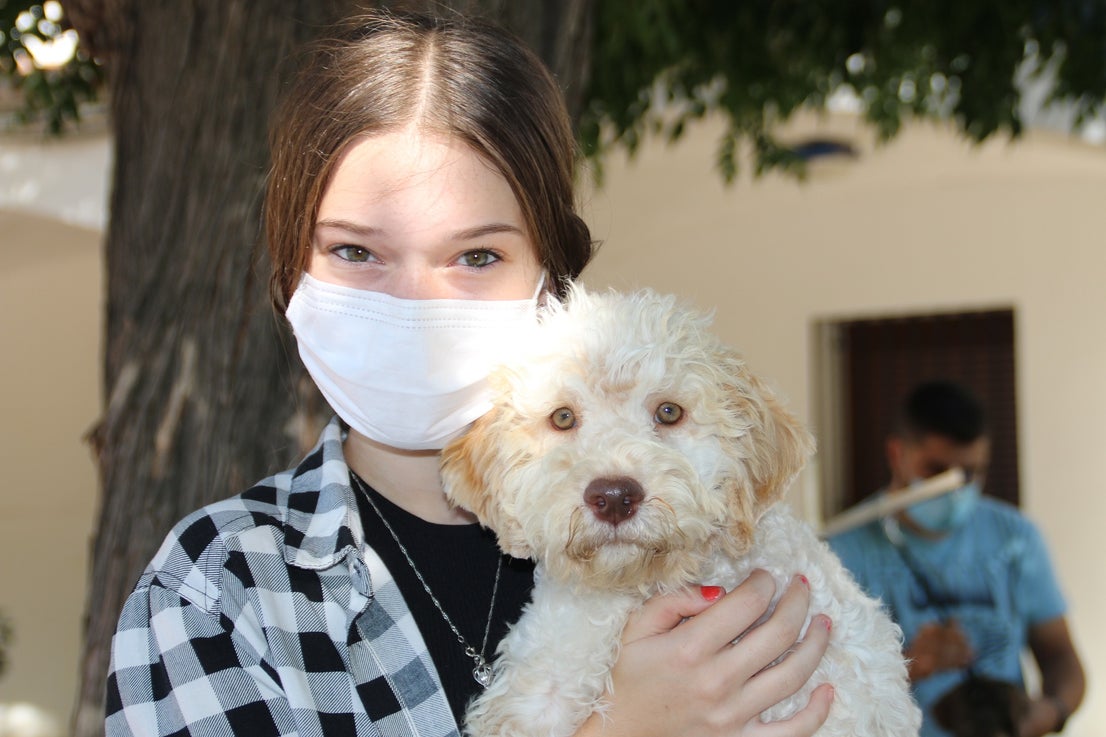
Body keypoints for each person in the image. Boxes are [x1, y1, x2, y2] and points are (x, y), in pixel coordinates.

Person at [105, 11, 835, 737]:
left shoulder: (702, 545)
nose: (414, 305)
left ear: (552, 277)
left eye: (476, 256)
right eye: (356, 252)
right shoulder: (218, 590)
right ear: (292, 267)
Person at [829, 380, 1085, 737]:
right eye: (937, 471)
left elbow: (1060, 655)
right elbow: (824, 691)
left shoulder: (1016, 538)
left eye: (971, 473)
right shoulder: (839, 551)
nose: (955, 490)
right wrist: (909, 667)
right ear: (896, 455)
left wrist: (1049, 713)